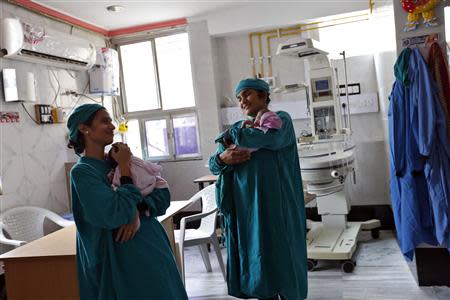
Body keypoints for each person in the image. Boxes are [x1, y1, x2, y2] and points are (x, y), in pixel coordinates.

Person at [67, 103, 188, 300]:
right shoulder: (83, 172)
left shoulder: (118, 159)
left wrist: (137, 211)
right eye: (104, 121)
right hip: (121, 255)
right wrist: (124, 169)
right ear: (84, 128)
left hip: (151, 246)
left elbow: (161, 195)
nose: (112, 126)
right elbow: (112, 213)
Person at [209, 78, 308, 300]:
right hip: (247, 207)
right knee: (257, 256)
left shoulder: (280, 121)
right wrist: (223, 157)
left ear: (263, 96)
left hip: (277, 204)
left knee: (284, 254)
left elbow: (268, 139)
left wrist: (233, 135)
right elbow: (213, 164)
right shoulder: (236, 129)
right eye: (239, 97)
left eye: (247, 94)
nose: (242, 100)